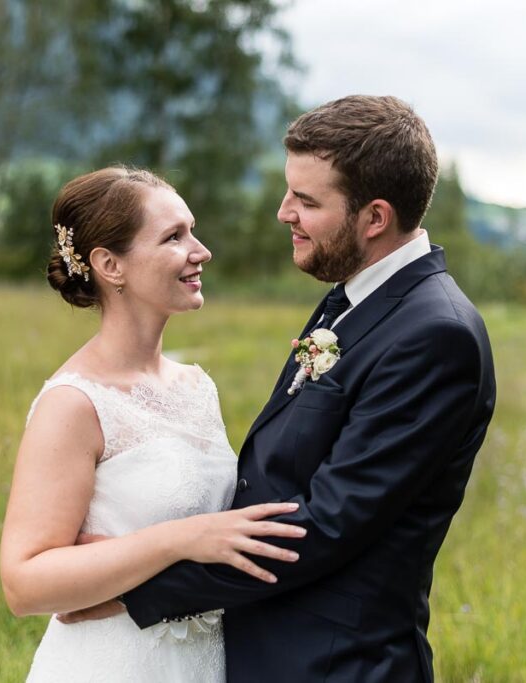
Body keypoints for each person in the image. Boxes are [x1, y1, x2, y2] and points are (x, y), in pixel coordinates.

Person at [79, 95, 497, 682]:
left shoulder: (435, 335)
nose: (283, 213)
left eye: (306, 200)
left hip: (338, 665)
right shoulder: (353, 299)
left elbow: (326, 525)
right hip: (270, 652)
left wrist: (132, 589)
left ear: (374, 218)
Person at [0, 166, 307, 683]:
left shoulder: (196, 386)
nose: (201, 250)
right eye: (173, 237)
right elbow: (25, 582)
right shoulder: (74, 403)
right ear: (109, 265)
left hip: (203, 661)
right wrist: (177, 540)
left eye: (192, 230)